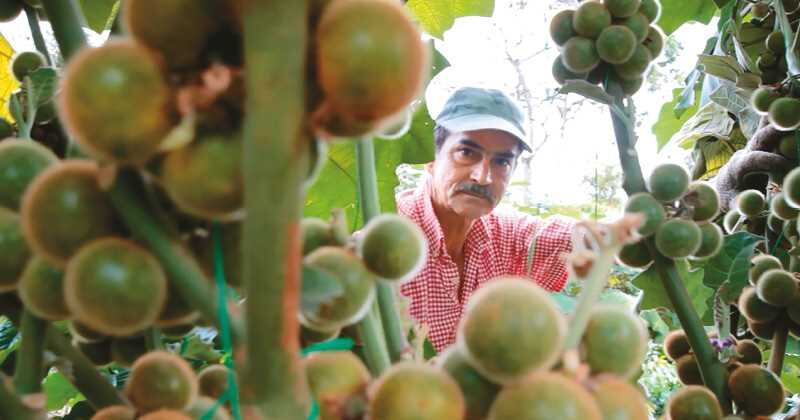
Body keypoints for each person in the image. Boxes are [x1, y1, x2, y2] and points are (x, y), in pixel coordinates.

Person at [396, 86, 576, 352]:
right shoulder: (386, 238)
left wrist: (636, 227)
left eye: (501, 162)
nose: (483, 177)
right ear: (431, 161)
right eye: (466, 153)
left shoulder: (503, 235)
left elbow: (579, 236)